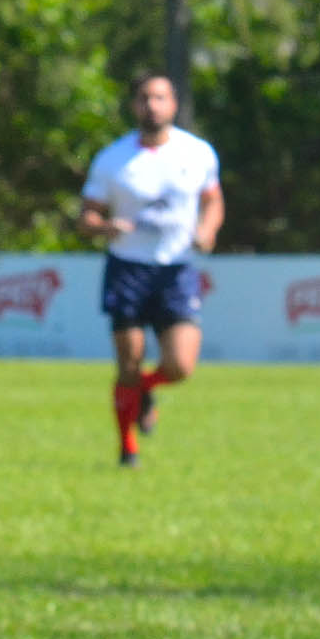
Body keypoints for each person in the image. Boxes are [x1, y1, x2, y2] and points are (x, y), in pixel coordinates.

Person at [78, 71, 224, 467]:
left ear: (173, 104)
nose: (152, 105)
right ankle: (128, 448)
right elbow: (86, 217)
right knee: (128, 362)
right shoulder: (113, 159)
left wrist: (207, 230)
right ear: (134, 105)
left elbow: (213, 200)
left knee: (180, 366)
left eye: (160, 98)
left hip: (176, 269)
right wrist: (104, 227)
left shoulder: (197, 153)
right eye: (144, 98)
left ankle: (142, 390)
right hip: (127, 268)